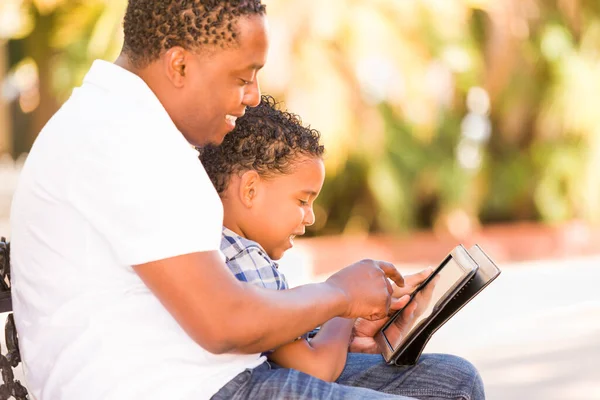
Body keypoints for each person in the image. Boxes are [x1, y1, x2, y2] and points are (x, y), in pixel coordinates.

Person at [7, 0, 482, 399]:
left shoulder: (130, 126)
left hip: (216, 376)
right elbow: (226, 322)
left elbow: (226, 308)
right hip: (179, 389)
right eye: (242, 76)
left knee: (453, 383)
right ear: (179, 65)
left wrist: (341, 313)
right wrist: (340, 295)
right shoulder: (122, 139)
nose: (253, 96)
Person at [200, 95, 484, 399]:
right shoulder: (245, 257)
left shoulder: (226, 248)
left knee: (458, 380)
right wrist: (347, 305)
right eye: (301, 201)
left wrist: (349, 313)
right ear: (251, 189)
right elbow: (316, 369)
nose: (309, 217)